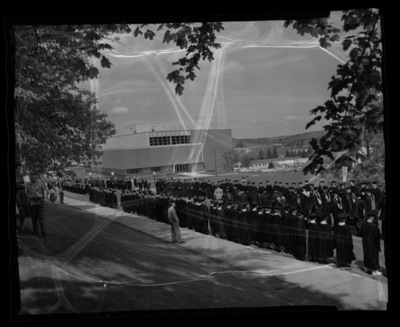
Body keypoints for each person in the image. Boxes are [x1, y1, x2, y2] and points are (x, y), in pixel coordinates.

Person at [26, 173, 47, 244]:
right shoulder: (28, 185)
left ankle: (43, 233)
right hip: (32, 204)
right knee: (34, 218)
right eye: (30, 177)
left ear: (36, 178)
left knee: (41, 219)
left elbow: (43, 193)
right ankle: (35, 231)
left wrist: (43, 202)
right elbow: (28, 193)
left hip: (40, 203)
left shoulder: (41, 184)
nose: (30, 178)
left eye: (32, 177)